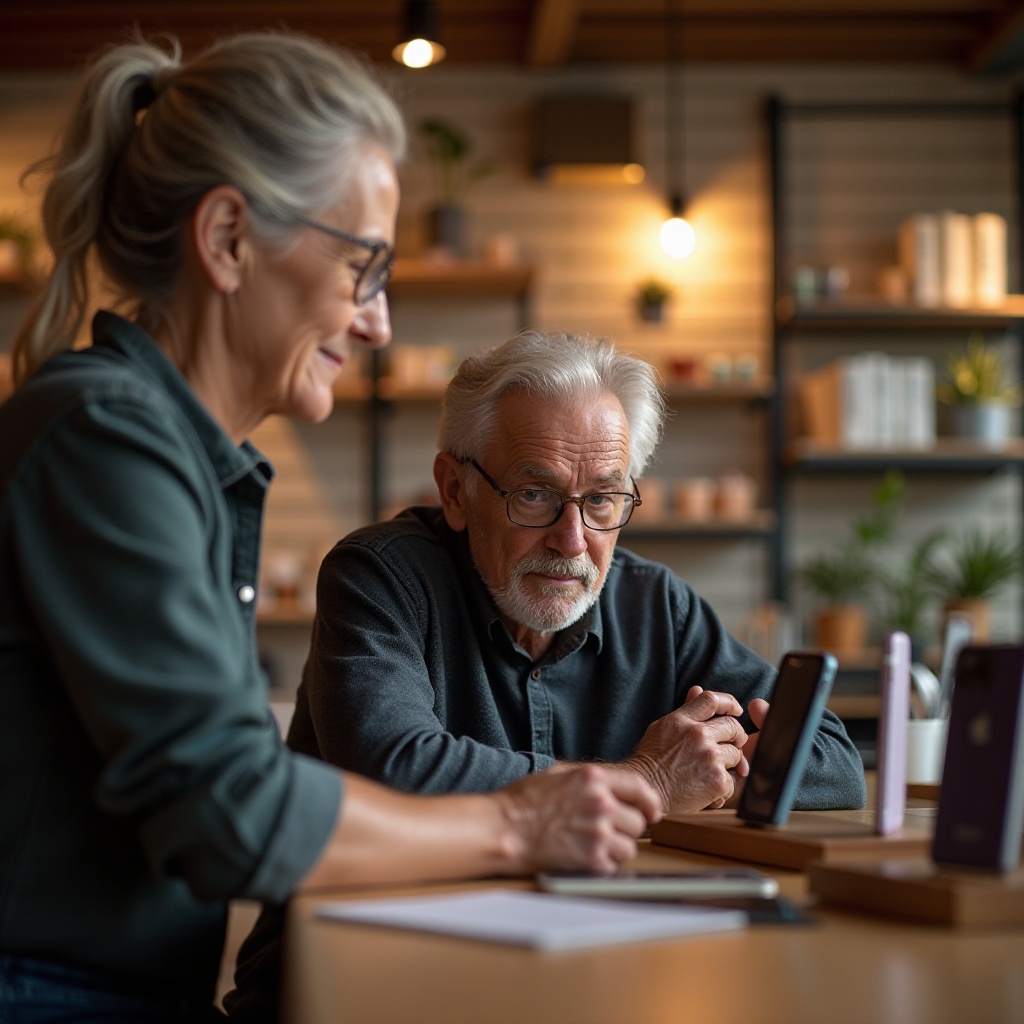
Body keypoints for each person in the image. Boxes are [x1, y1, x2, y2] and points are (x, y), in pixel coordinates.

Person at [0, 34, 661, 1024]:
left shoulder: (162, 446)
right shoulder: (106, 436)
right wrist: (520, 824)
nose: (378, 322)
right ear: (226, 239)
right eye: (364, 267)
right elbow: (231, 810)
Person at [285, 329, 867, 813]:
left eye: (602, 500)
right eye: (536, 494)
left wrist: (711, 775)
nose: (573, 540)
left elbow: (834, 762)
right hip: (371, 941)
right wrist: (647, 783)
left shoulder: (656, 604)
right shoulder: (378, 577)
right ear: (455, 491)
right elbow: (390, 768)